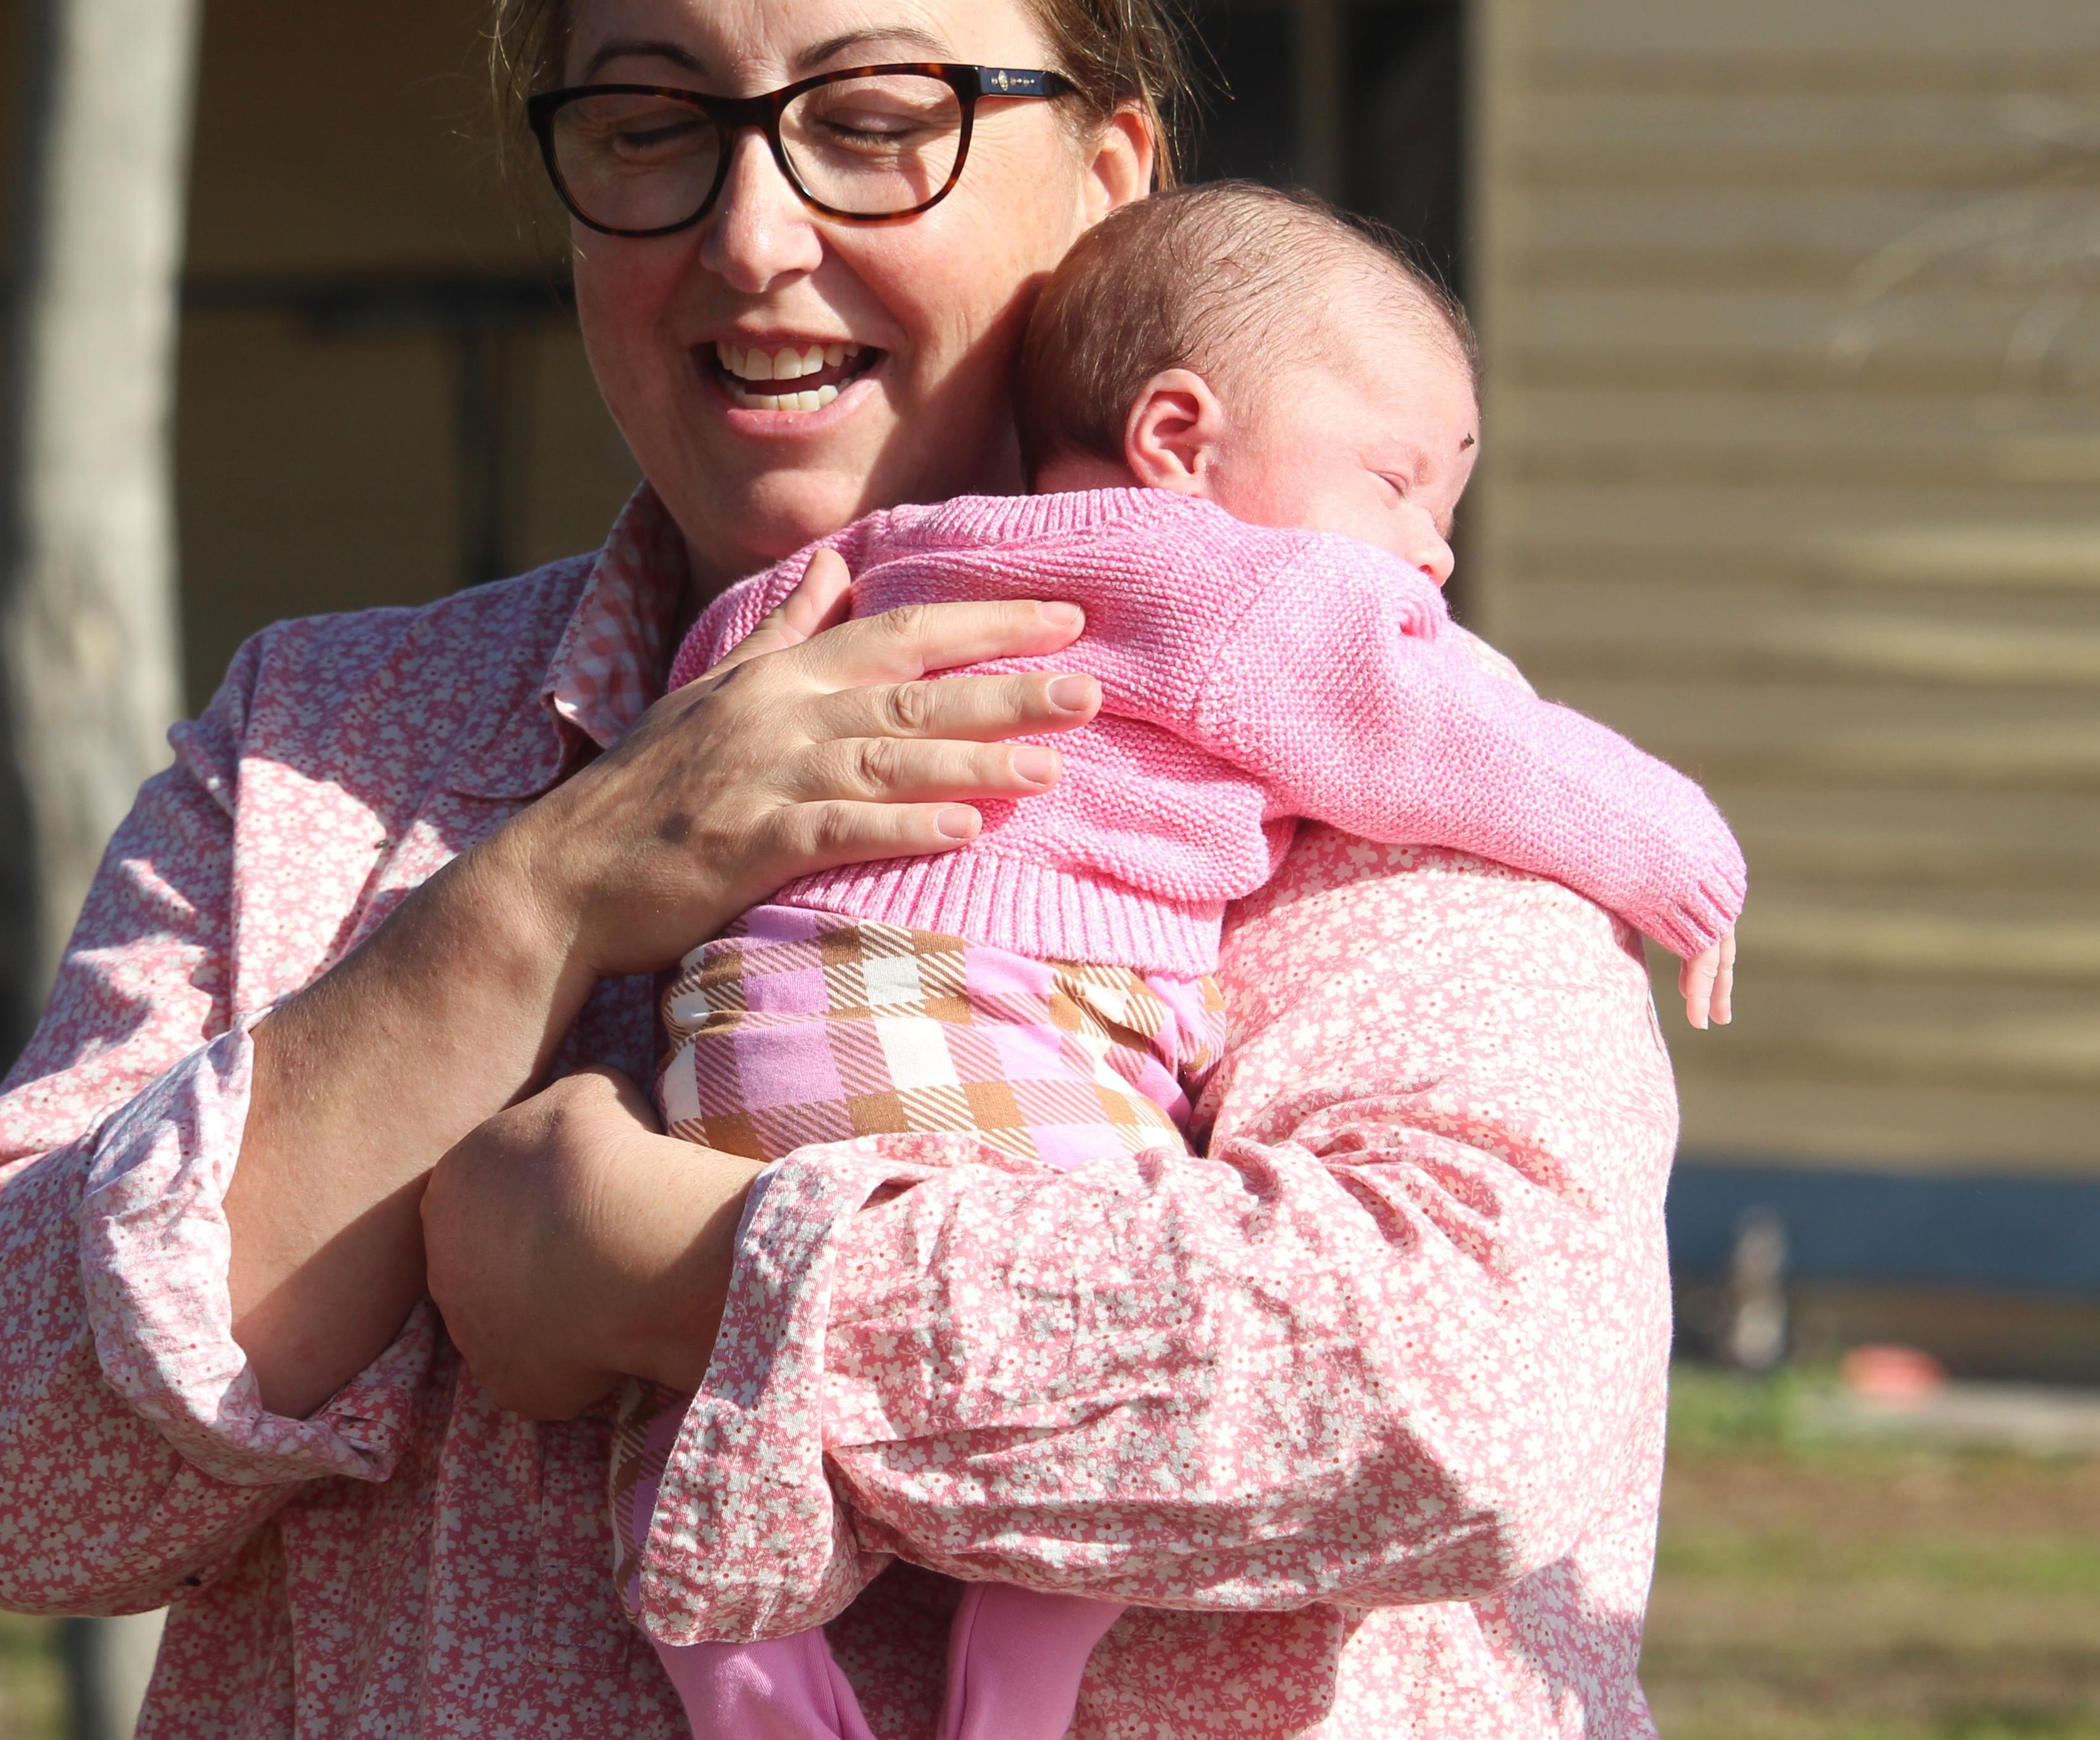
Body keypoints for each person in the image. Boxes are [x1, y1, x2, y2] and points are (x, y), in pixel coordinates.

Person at [0, 0, 1680, 1740]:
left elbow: (1466, 1398)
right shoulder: (342, 751)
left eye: (881, 120)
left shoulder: (1357, 753)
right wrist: (525, 913)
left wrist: (681, 1271)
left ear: (1110, 174)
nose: (753, 234)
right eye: (650, 122)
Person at [610, 180, 1742, 1739]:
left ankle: (743, 1672)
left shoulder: (882, 554)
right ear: (1178, 437)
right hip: (988, 1029)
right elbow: (1443, 736)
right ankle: (1009, 1695)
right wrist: (1679, 855)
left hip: (738, 1040)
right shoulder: (1237, 586)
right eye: (1398, 482)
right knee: (1089, 1411)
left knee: (706, 1422)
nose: (1428, 553)